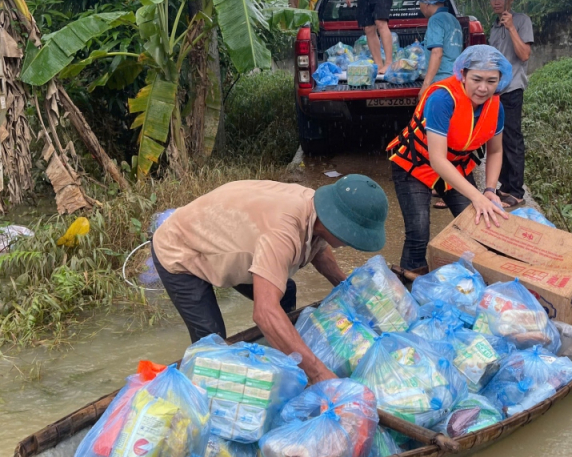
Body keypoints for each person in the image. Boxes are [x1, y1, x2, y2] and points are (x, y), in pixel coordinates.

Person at [151, 175, 389, 383]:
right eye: (350, 237)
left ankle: (281, 352)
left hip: (228, 237)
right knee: (212, 345)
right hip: (182, 250)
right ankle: (207, 396)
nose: (349, 244)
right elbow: (264, 312)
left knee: (284, 294)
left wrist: (348, 288)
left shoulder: (316, 207)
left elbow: (319, 249)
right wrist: (318, 374)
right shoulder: (282, 232)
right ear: (336, 224)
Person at [387, 45, 513, 271]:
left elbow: (495, 151)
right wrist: (477, 196)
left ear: (500, 80)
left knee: (478, 225)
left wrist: (489, 191)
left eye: (491, 81)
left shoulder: (496, 106)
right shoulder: (442, 99)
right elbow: (437, 160)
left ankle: (474, 279)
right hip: (415, 165)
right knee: (418, 232)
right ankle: (410, 283)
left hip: (456, 167)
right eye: (477, 79)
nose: (483, 88)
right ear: (462, 74)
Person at [488, 0, 534, 207]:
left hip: (513, 88)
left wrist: (512, 28)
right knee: (498, 138)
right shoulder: (494, 26)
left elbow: (524, 54)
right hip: (495, 92)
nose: (497, 2)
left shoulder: (522, 21)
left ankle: (515, 191)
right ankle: (504, 186)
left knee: (512, 138)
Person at [417, 0, 464, 97]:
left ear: (426, 3)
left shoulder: (435, 20)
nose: (420, 6)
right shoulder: (454, 20)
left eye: (420, 2)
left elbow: (437, 53)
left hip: (441, 83)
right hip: (456, 79)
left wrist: (425, 85)